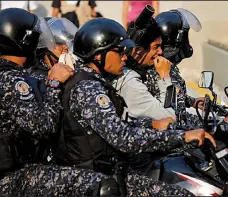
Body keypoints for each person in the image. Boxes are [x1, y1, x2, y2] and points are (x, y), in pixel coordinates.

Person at [54, 17, 216, 196]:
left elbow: (119, 124)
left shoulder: (94, 82)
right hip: (95, 178)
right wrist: (181, 136)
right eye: (119, 52)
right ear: (99, 55)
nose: (125, 57)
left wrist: (151, 125)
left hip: (109, 170)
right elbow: (123, 138)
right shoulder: (89, 88)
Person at [0, 9, 121, 196]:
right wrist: (54, 83)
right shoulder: (13, 81)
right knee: (101, 185)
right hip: (14, 176)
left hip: (22, 169)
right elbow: (43, 126)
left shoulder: (11, 75)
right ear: (26, 41)